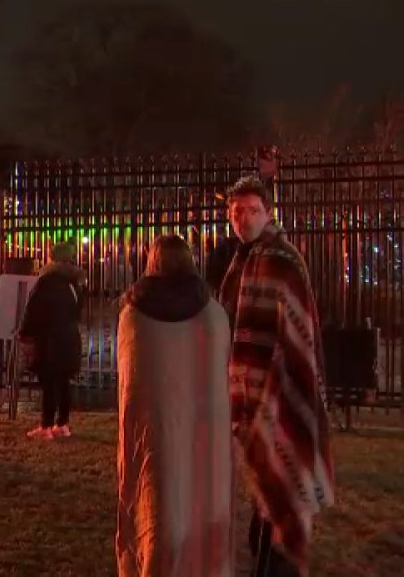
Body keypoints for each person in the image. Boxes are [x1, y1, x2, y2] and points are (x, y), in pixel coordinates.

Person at [220, 175, 334, 577]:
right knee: (264, 501)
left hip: (278, 397)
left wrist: (271, 399)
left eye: (252, 210)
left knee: (277, 498)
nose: (243, 218)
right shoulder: (244, 257)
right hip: (253, 399)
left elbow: (294, 340)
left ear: (268, 214)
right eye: (236, 211)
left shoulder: (278, 258)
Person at [115, 235, 233, 577]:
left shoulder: (133, 315)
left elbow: (131, 383)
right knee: (200, 500)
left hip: (154, 430)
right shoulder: (213, 314)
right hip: (203, 431)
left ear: (152, 261)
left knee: (156, 501)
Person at [18, 241, 85, 439]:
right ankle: (62, 423)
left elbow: (34, 310)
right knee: (64, 381)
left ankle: (46, 425)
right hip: (69, 336)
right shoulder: (73, 281)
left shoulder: (47, 280)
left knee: (48, 381)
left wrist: (25, 333)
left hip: (50, 338)